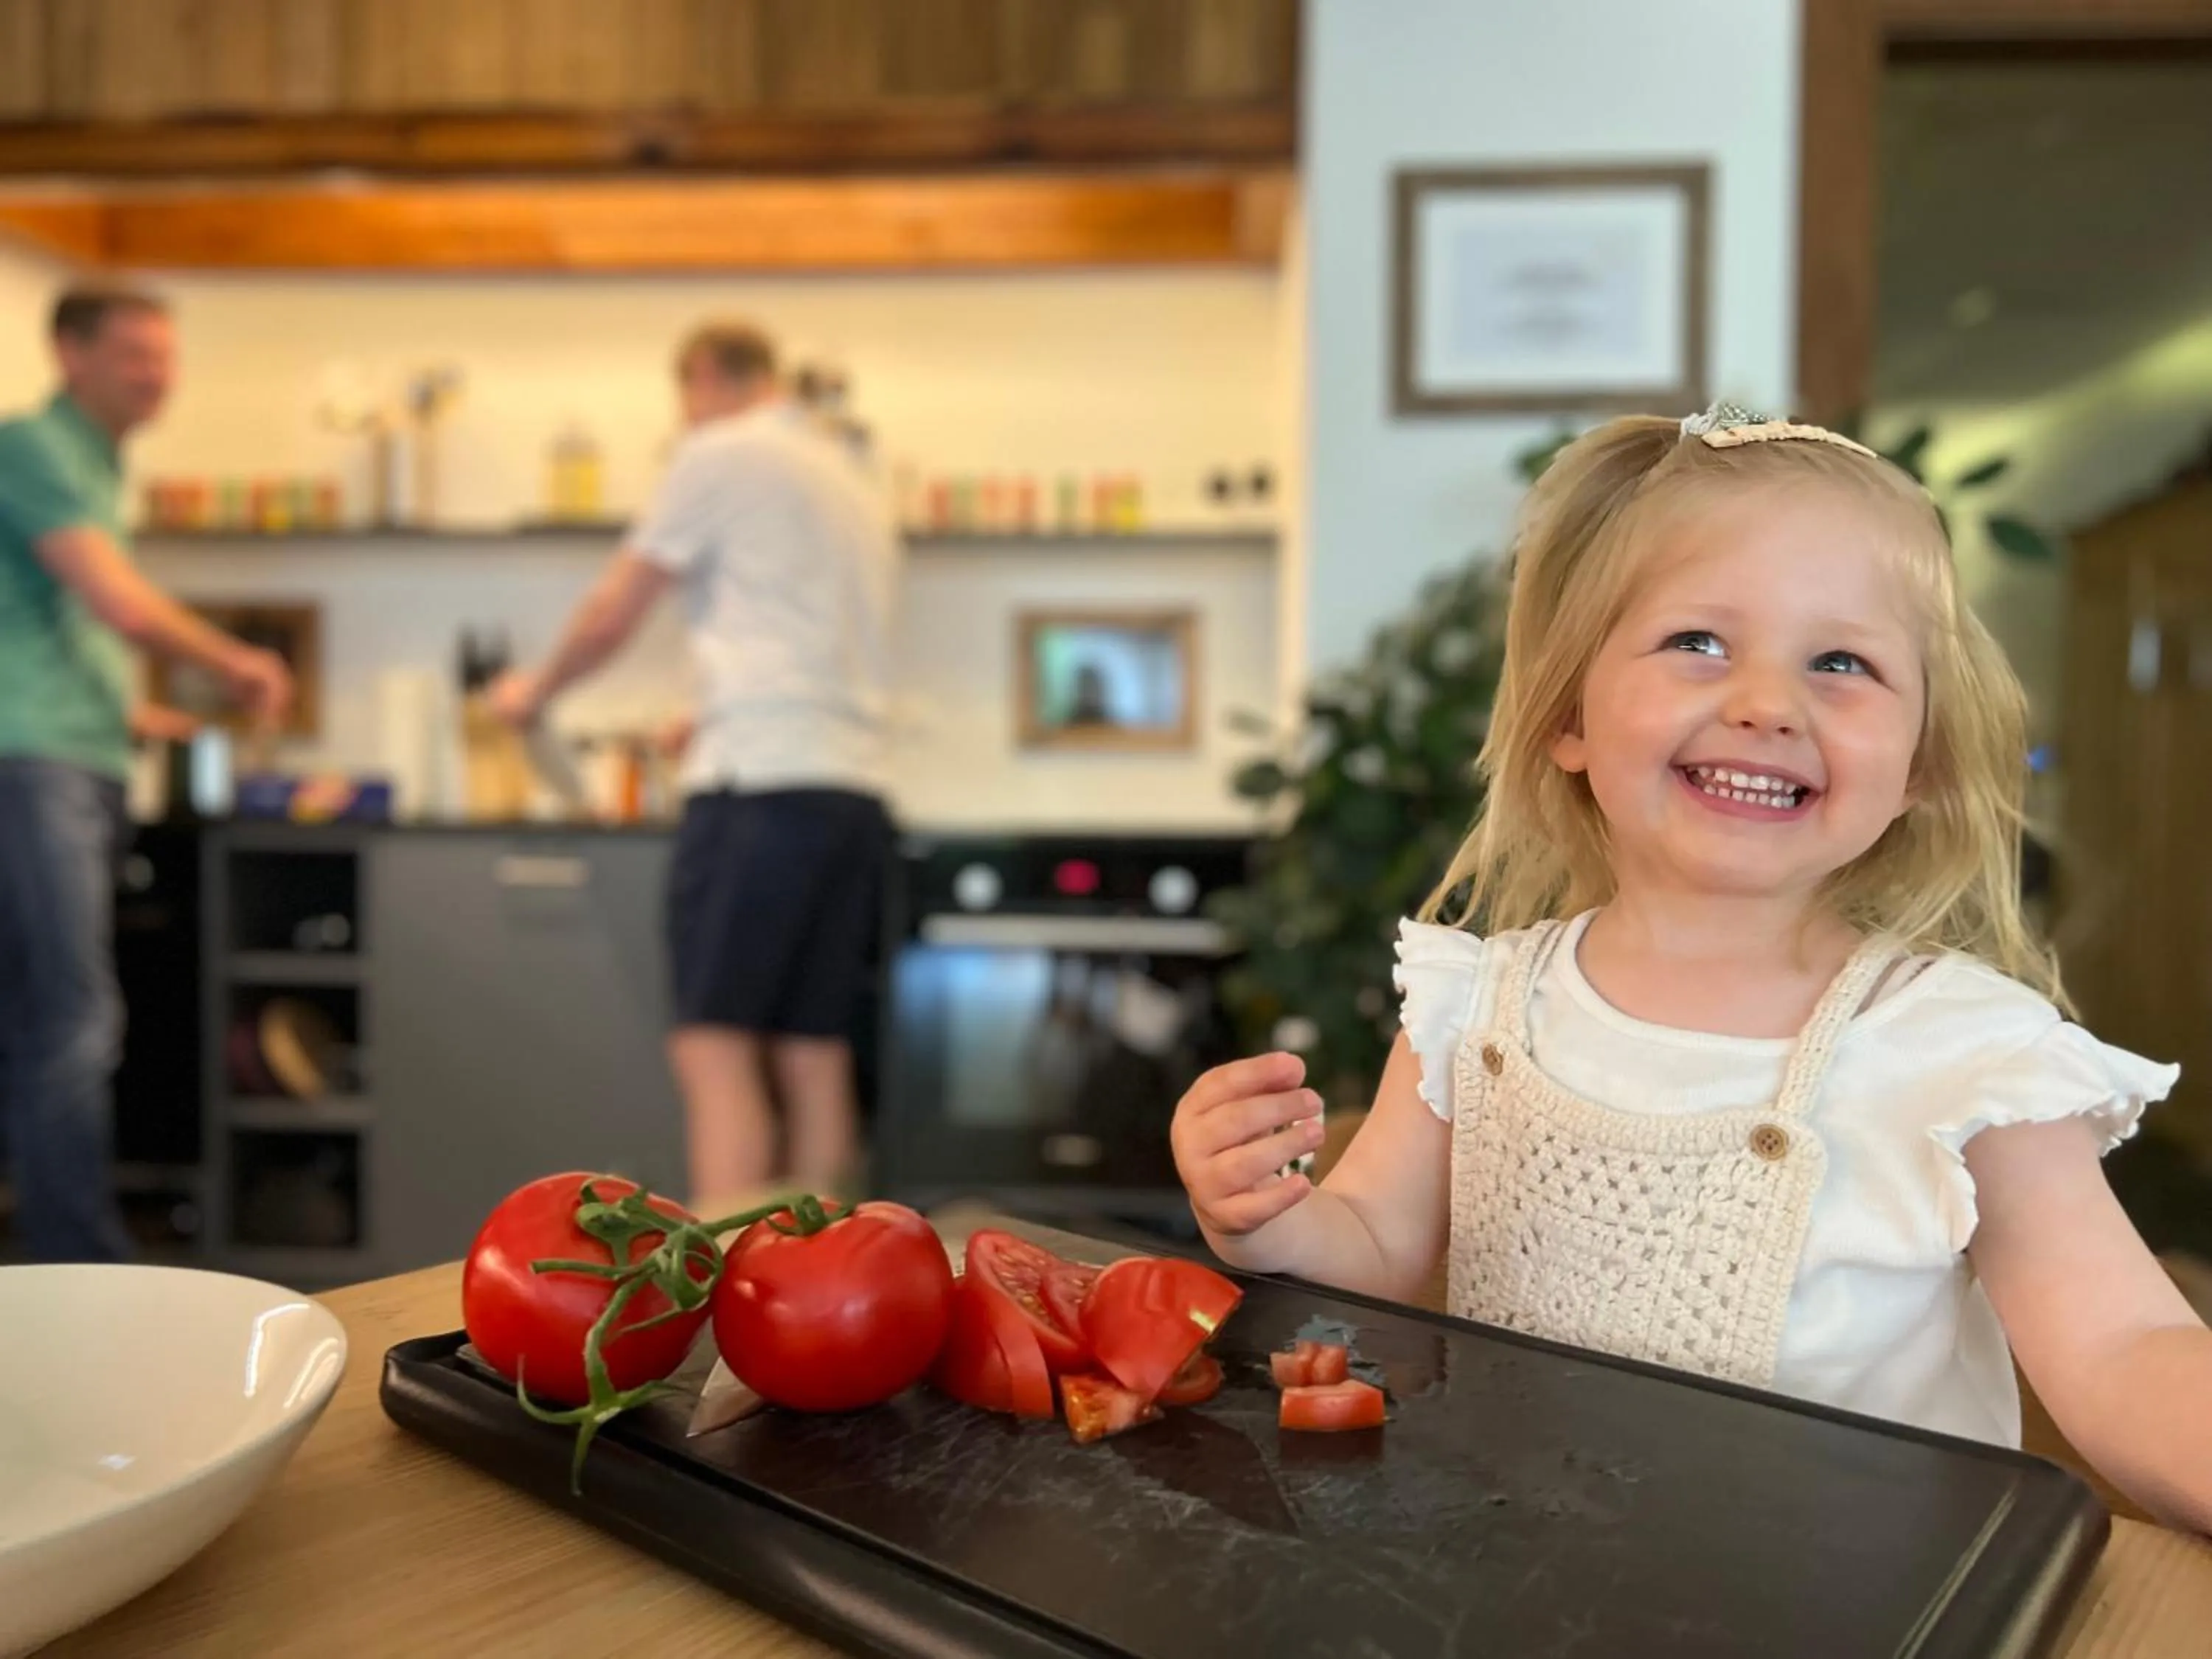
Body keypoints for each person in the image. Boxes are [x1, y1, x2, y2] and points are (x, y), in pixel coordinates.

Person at [1172, 404, 2212, 1531]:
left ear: (1921, 760)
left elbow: (2124, 1343)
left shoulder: (1966, 1052)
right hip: (1527, 1578)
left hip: (1854, 1601)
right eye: (1699, 642)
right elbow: (1371, 1250)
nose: (1767, 704)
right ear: (1568, 714)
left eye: (1843, 661)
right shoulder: (1478, 1006)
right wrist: (1268, 1223)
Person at [490, 320, 899, 1200]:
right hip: (850, 790)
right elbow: (809, 639)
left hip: (757, 791)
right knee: (814, 1053)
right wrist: (705, 714)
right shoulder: (850, 475)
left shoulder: (721, 453)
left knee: (714, 1048)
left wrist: (536, 689)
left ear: (706, 376)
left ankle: (728, 1276)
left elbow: (615, 607)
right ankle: (834, 1277)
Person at [0, 282, 293, 1262]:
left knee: (43, 1015)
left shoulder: (94, 464)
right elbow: (118, 603)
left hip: (67, 759)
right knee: (73, 1019)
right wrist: (238, 661)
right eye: (134, 353)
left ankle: (54, 1255)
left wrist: (136, 714)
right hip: (34, 771)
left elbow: (43, 630)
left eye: (165, 355)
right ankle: (78, 1259)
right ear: (69, 352)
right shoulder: (32, 446)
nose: (157, 374)